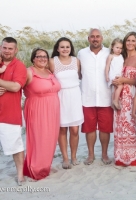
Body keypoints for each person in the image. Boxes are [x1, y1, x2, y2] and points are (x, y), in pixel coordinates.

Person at [23, 48, 61, 180]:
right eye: (39, 56)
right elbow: (17, 86)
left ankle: (45, 166)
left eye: (45, 56)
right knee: (38, 137)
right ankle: (35, 168)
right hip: (36, 109)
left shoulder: (49, 71)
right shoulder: (29, 72)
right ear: (33, 58)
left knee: (50, 138)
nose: (42, 59)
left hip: (53, 109)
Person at [77, 28, 113, 165]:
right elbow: (79, 74)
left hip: (106, 97)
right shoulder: (81, 53)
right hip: (87, 97)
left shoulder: (109, 53)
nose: (95, 39)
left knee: (105, 128)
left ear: (102, 38)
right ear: (88, 39)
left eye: (98, 36)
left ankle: (104, 154)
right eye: (92, 36)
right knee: (89, 128)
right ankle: (90, 155)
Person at [49, 37, 84, 169]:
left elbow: (80, 77)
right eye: (62, 47)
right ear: (57, 48)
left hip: (75, 96)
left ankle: (74, 156)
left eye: (67, 47)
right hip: (60, 96)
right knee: (62, 129)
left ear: (71, 48)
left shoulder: (76, 61)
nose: (65, 49)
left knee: (75, 130)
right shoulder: (53, 62)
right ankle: (65, 158)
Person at [112, 32, 136, 167]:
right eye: (128, 40)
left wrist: (125, 80)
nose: (130, 43)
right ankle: (121, 157)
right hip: (119, 95)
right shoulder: (121, 57)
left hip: (131, 95)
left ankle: (133, 157)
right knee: (119, 125)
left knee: (130, 124)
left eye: (133, 40)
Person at [0, 37, 27, 185]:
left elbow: (16, 87)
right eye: (4, 47)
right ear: (0, 47)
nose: (7, 51)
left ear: (15, 50)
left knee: (15, 145)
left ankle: (20, 175)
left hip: (9, 113)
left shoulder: (19, 66)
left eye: (10, 48)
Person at [105, 38, 124, 110]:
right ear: (112, 47)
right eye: (117, 47)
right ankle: (115, 101)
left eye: (121, 48)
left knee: (115, 89)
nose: (119, 50)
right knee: (120, 86)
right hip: (113, 75)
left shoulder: (121, 56)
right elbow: (107, 67)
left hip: (119, 75)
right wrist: (106, 76)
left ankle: (113, 103)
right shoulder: (111, 56)